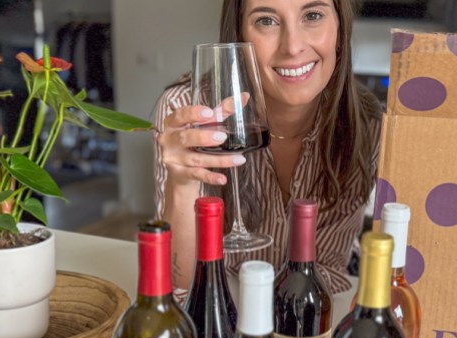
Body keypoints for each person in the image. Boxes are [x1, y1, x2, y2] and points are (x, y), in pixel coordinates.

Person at [153, 0, 382, 295]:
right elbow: (178, 286)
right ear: (239, 34)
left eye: (313, 15)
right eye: (266, 21)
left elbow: (325, 273)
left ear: (340, 27)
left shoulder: (366, 125)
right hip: (223, 317)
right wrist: (182, 186)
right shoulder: (187, 112)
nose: (292, 46)